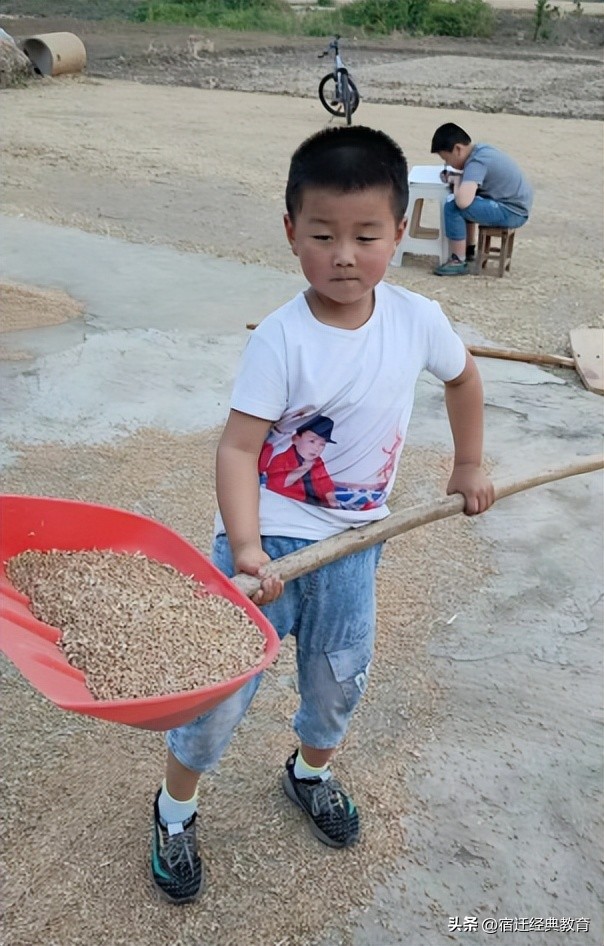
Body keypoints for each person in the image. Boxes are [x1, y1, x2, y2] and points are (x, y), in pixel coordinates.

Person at [151, 125, 495, 904]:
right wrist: (244, 549)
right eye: (324, 235)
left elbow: (465, 381)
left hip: (357, 544)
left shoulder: (417, 320)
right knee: (217, 691)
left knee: (339, 680)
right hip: (267, 546)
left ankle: (309, 774)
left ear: (401, 233)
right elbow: (239, 451)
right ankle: (175, 809)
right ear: (290, 235)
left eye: (367, 235)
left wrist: (468, 466)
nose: (345, 254)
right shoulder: (282, 339)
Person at [430, 122, 533, 276]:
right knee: (470, 202)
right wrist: (458, 178)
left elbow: (463, 202)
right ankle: (469, 249)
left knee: (453, 207)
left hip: (512, 211)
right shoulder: (481, 151)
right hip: (516, 206)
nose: (447, 164)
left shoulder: (476, 163)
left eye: (447, 159)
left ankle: (458, 260)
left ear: (458, 149)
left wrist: (457, 181)